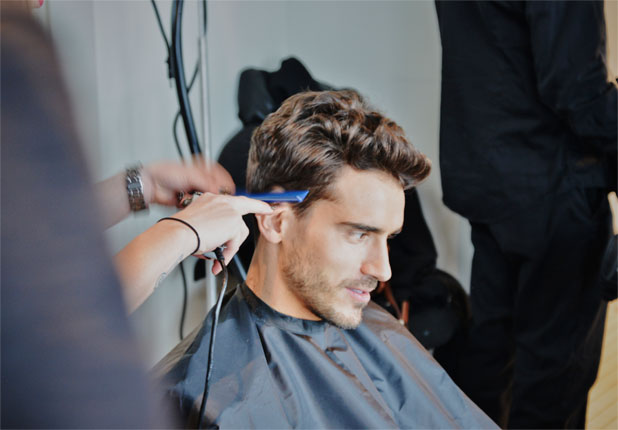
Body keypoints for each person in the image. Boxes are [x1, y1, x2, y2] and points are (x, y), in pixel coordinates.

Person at [155, 90, 497, 429]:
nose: (383, 270)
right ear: (276, 221)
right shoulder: (198, 397)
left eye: (389, 238)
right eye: (360, 234)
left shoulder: (380, 333)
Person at [1, 3, 269, 426]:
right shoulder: (11, 52)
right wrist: (180, 232)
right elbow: (44, 321)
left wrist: (140, 186)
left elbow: (24, 238)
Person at [434, 1, 617, 428]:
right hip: (551, 186)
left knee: (491, 354)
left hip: (486, 173)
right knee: (553, 377)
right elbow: (578, 89)